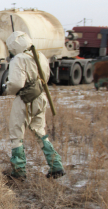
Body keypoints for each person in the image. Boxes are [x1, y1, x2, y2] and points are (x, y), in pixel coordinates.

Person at [5, 31, 65, 179]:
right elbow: (46, 77)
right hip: (41, 97)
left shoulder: (19, 59)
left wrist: (7, 90)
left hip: (25, 99)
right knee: (40, 131)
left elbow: (16, 83)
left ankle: (18, 172)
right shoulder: (40, 56)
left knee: (16, 134)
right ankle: (56, 166)